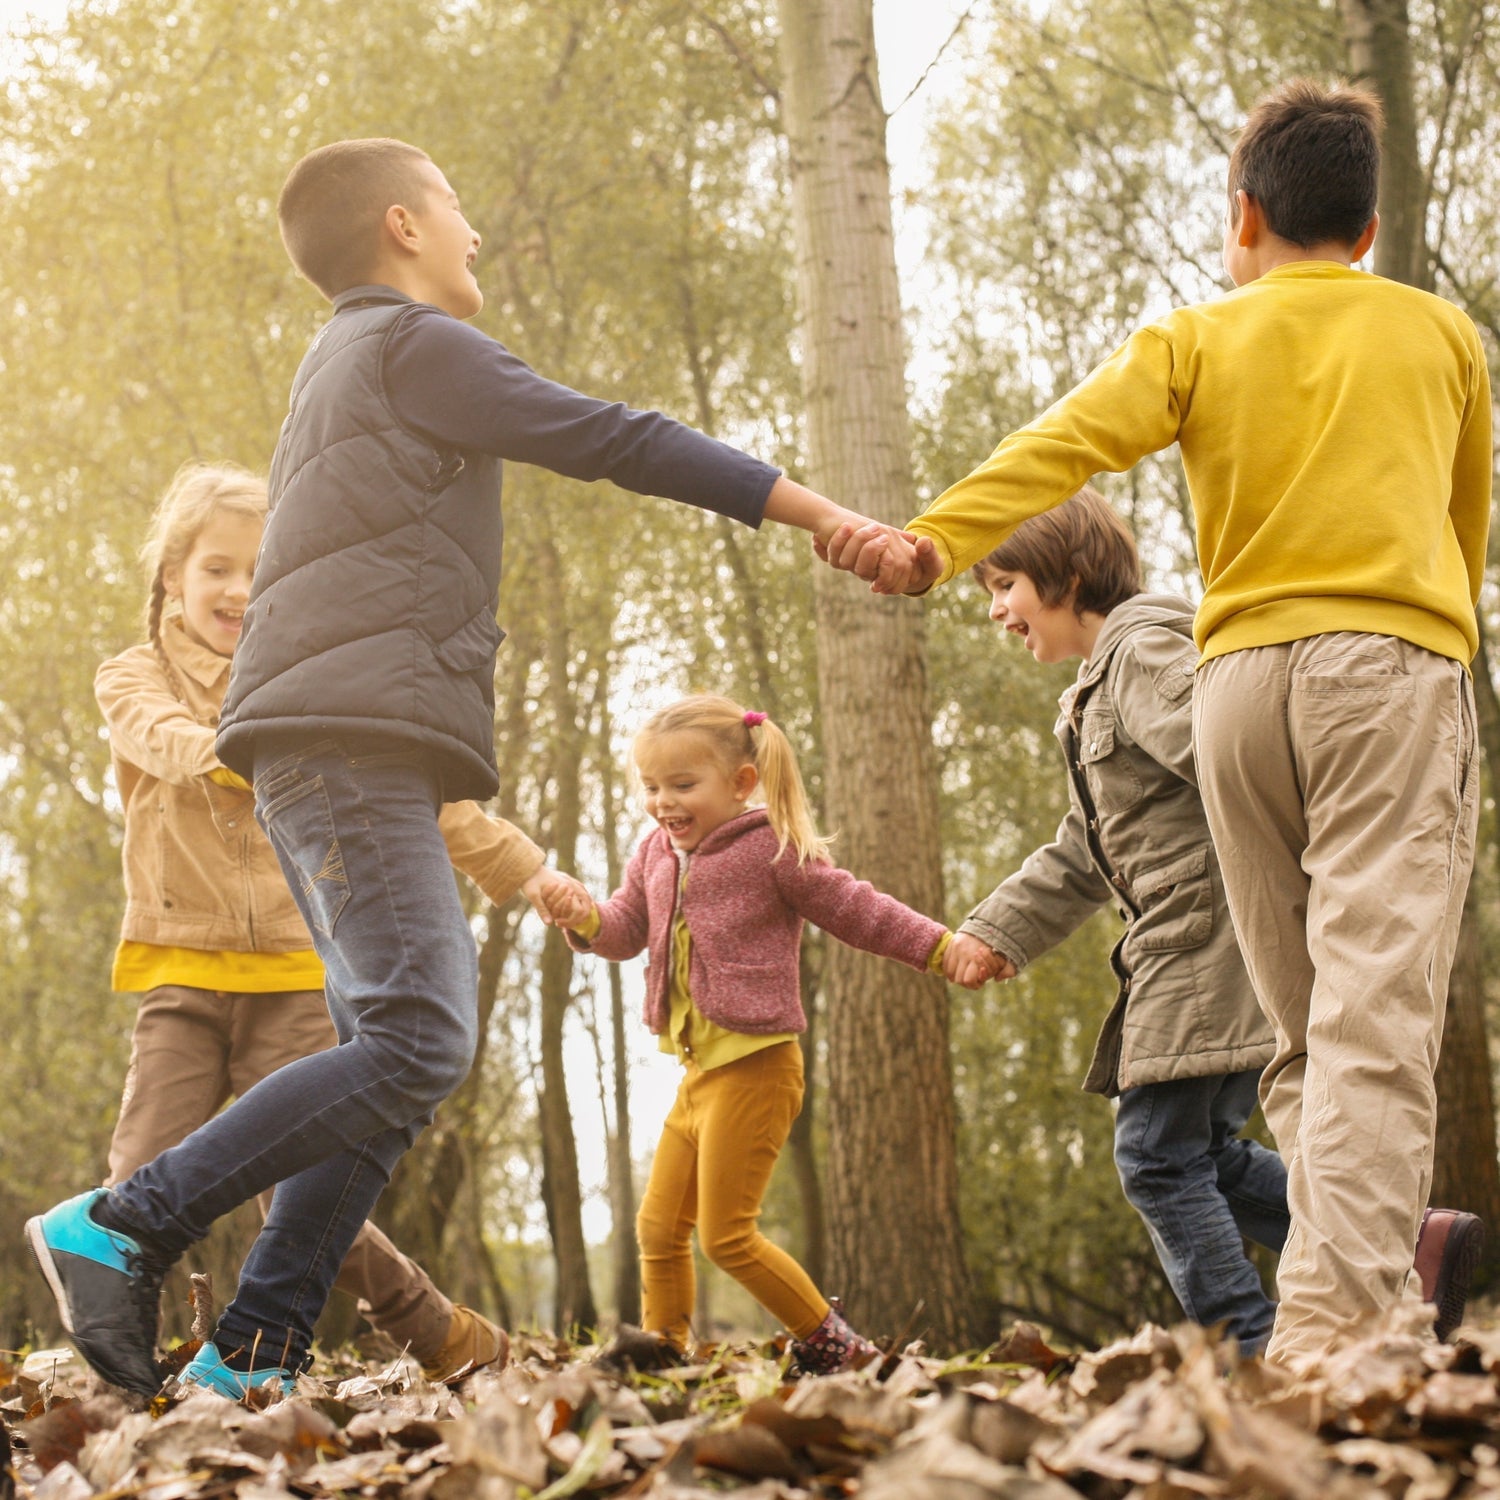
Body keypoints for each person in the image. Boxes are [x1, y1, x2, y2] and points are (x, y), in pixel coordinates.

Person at [28, 138, 892, 1401]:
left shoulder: (345, 362)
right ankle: (121, 1222)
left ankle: (255, 1343)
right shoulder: (405, 344)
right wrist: (820, 516)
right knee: (422, 1034)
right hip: (344, 748)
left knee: (392, 1046)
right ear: (402, 226)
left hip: (326, 748)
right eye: (457, 209)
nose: (475, 234)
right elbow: (612, 435)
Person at [826, 81, 1490, 1370]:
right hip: (1386, 669)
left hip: (1239, 687)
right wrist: (1439, 640)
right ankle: (1335, 1342)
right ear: (1367, 228)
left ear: (1244, 215)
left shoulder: (1200, 336)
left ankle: (1320, 1319)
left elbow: (1064, 444)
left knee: (1300, 1035)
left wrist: (933, 539)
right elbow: (1466, 538)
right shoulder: (1442, 337)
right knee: (1373, 1023)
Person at [93, 461, 580, 1384]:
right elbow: (157, 736)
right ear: (172, 577)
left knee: (307, 1198)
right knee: (139, 1171)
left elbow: (426, 805)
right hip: (185, 975)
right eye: (217, 569)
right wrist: (257, 747)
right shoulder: (133, 675)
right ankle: (114, 1359)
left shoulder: (312, 686)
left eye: (260, 570)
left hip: (294, 976)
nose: (239, 591)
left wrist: (528, 873)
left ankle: (436, 1332)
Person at [943, 487, 1289, 1355]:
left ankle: (1251, 1349)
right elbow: (1083, 850)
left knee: (1154, 1158)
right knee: (1200, 1152)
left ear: (1066, 572)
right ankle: (1409, 1246)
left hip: (1203, 938)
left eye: (1005, 584)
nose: (995, 611)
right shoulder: (1101, 688)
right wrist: (999, 929)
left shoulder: (1141, 653)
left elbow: (1231, 756)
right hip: (1195, 943)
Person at [553, 695, 951, 1373]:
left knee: (727, 1235)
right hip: (699, 1074)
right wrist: (584, 916)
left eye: (683, 786)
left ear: (741, 783)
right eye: (651, 787)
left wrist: (941, 949)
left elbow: (857, 909)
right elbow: (624, 929)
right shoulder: (654, 852)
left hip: (758, 1068)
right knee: (658, 1229)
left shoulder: (771, 850)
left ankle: (835, 1346)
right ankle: (664, 1354)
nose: (663, 803)